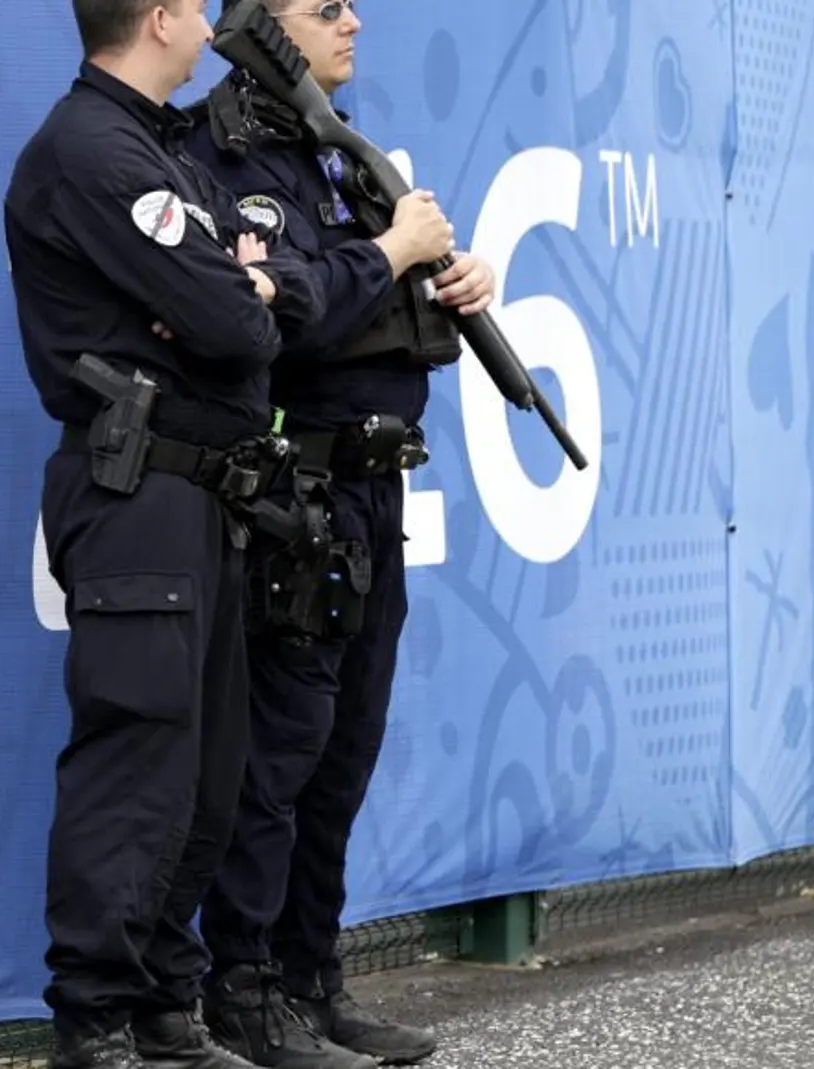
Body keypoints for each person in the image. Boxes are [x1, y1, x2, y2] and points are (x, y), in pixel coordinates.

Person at [2, 2, 333, 1067]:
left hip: (205, 496)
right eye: (193, 6)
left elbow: (236, 311)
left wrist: (232, 290)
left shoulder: (151, 147)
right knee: (138, 754)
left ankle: (158, 1005)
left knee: (207, 767)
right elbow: (235, 323)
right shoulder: (95, 150)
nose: (207, 19)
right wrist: (227, 296)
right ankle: (93, 1019)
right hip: (139, 495)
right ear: (156, 20)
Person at [176, 2, 496, 1067]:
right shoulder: (215, 155)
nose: (353, 21)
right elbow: (273, 318)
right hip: (293, 500)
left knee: (344, 751)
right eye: (325, 7)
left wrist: (449, 283)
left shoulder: (335, 150)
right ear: (264, 24)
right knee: (279, 755)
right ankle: (247, 987)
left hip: (374, 493)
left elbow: (368, 299)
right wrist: (394, 253)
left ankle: (312, 977)